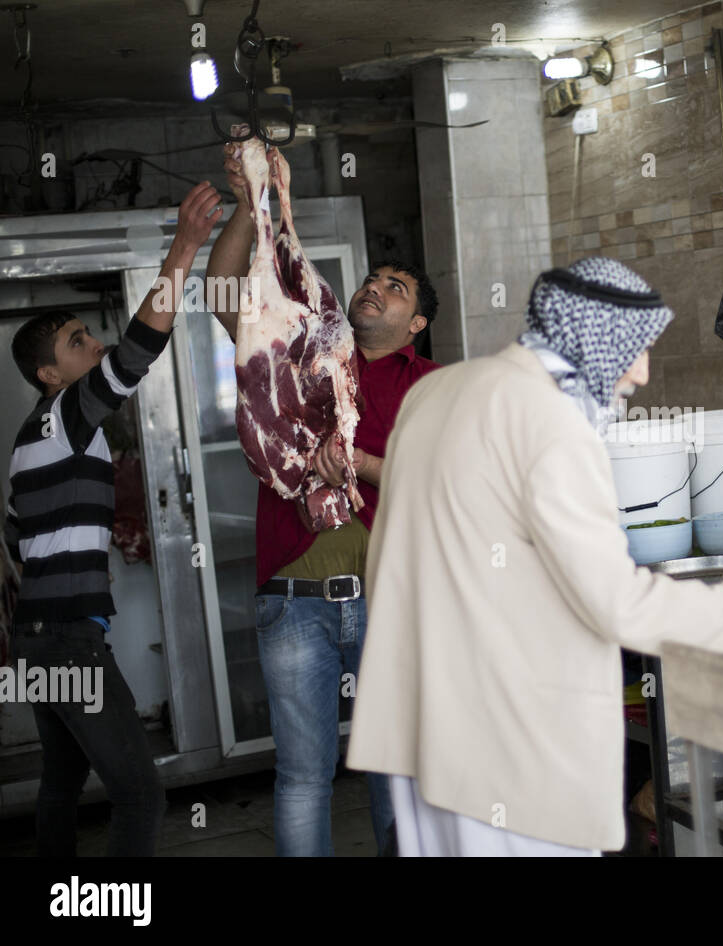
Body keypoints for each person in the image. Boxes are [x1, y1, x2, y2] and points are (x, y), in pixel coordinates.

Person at [346, 256, 723, 856]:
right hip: (510, 743)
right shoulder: (549, 418)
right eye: (638, 348)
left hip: (422, 736)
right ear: (595, 337)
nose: (643, 372)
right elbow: (617, 605)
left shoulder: (437, 391)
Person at [205, 144, 439, 856]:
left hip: (388, 600)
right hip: (293, 599)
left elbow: (439, 481)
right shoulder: (297, 346)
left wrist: (360, 462)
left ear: (417, 321)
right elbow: (219, 288)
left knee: (391, 771)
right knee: (303, 776)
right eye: (373, 278)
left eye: (396, 286)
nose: (376, 287)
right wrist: (252, 204)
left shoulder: (428, 384)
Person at [4, 181, 224, 855]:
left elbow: (15, 539)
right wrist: (185, 246)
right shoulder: (64, 414)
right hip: (67, 640)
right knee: (139, 793)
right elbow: (136, 352)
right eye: (77, 341)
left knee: (64, 781)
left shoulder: (30, 440)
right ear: (50, 373)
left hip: (41, 638)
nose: (93, 343)